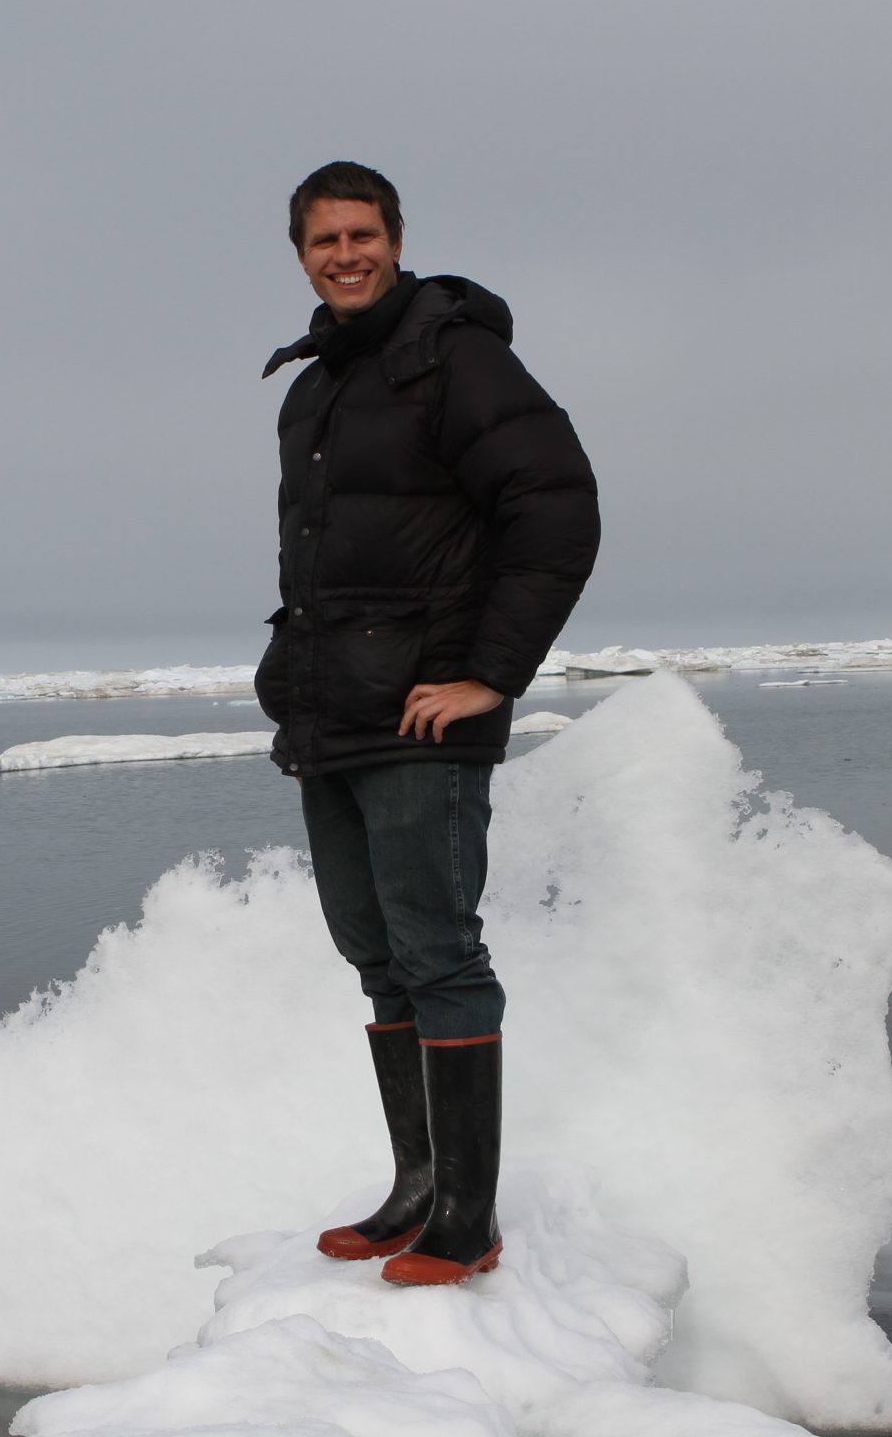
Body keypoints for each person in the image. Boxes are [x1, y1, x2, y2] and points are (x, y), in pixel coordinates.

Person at [256, 160, 600, 1287]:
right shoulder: (313, 388)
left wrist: (491, 676)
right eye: (323, 240)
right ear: (300, 253)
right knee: (379, 958)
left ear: (397, 240)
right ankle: (415, 1191)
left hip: (421, 716)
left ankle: (470, 1217)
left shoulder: (454, 357)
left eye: (362, 234)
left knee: (441, 953)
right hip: (332, 714)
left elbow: (556, 508)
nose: (344, 254)